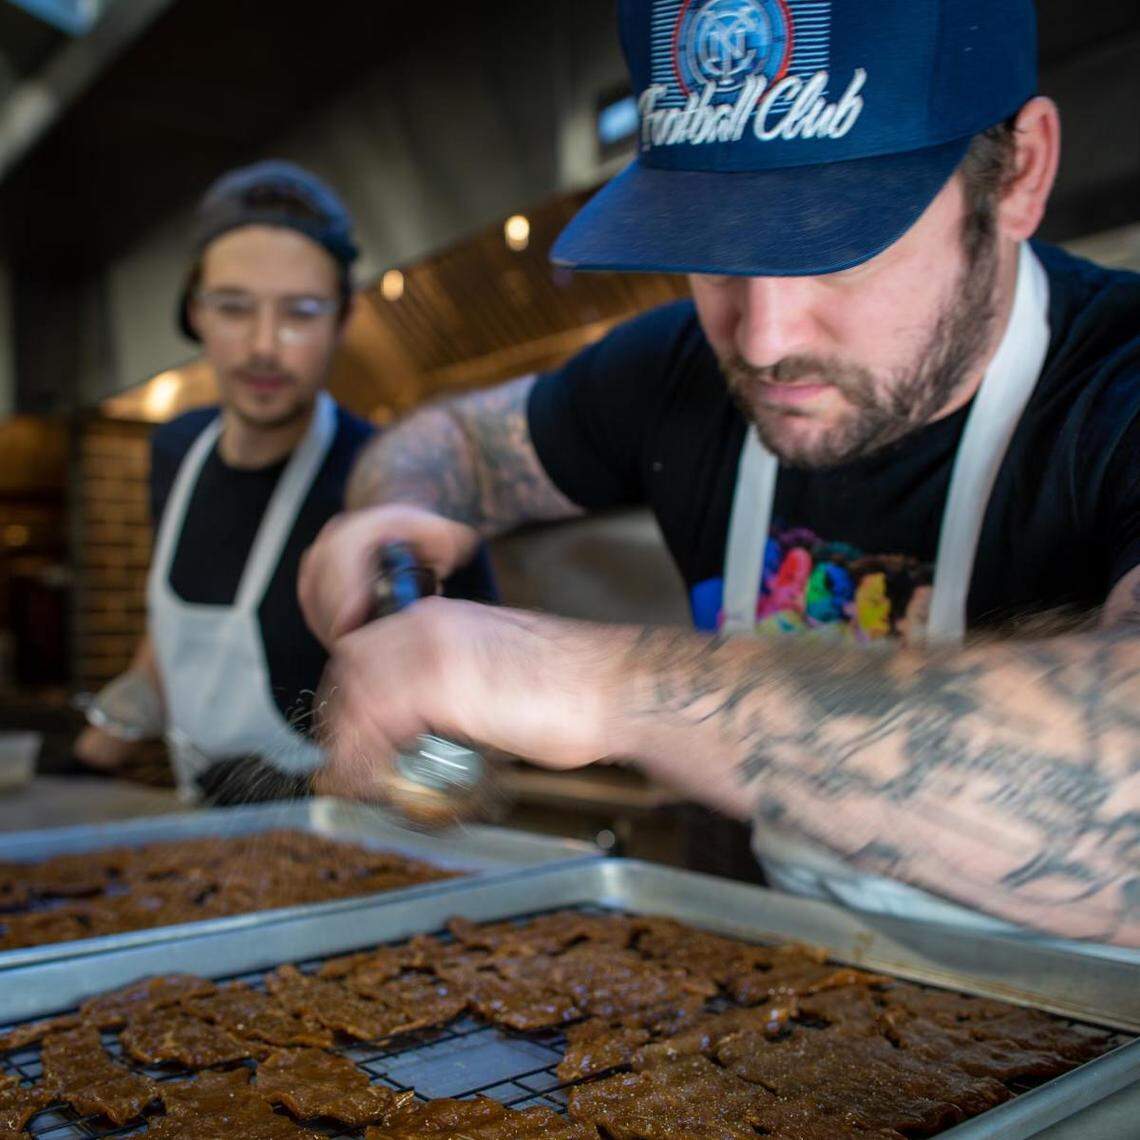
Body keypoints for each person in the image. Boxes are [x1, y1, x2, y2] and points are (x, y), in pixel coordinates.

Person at [299, 0, 1139, 952]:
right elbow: (454, 444)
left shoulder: (1120, 385)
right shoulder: (677, 375)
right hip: (786, 1003)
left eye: (841, 244)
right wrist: (397, 516)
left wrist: (596, 685)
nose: (764, 341)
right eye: (711, 250)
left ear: (1018, 173)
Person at [75, 161, 493, 803]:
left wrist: (302, 791)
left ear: (343, 318)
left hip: (348, 861)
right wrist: (95, 743)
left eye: (299, 313)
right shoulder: (176, 452)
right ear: (196, 313)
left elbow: (456, 756)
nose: (263, 346)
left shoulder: (393, 485)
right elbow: (172, 642)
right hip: (199, 848)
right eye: (234, 308)